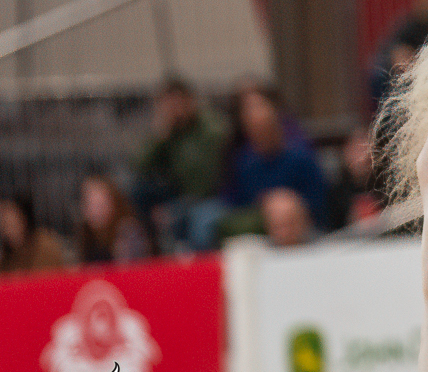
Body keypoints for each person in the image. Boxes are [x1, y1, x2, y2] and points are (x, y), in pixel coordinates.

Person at [218, 83, 329, 239]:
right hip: (261, 233)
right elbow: (233, 204)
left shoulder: (300, 157)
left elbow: (319, 202)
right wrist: (263, 207)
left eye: (266, 129)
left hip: (303, 230)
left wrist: (290, 206)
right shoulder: (244, 162)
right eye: (256, 131)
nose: (261, 135)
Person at [130, 77, 227, 253]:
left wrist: (176, 210)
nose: (174, 109)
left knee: (200, 230)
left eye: (178, 102)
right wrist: (160, 136)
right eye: (169, 105)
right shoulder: (168, 133)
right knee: (138, 193)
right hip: (178, 198)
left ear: (190, 101)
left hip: (210, 198)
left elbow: (203, 180)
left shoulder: (209, 128)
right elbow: (139, 166)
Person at [75, 175, 151, 265]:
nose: (94, 211)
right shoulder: (87, 234)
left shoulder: (127, 230)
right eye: (89, 204)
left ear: (113, 203)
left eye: (100, 205)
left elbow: (132, 268)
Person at [0, 192, 68, 271]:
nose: (6, 229)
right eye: (3, 223)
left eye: (9, 222)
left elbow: (43, 276)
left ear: (24, 219)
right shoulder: (8, 253)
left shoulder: (43, 244)